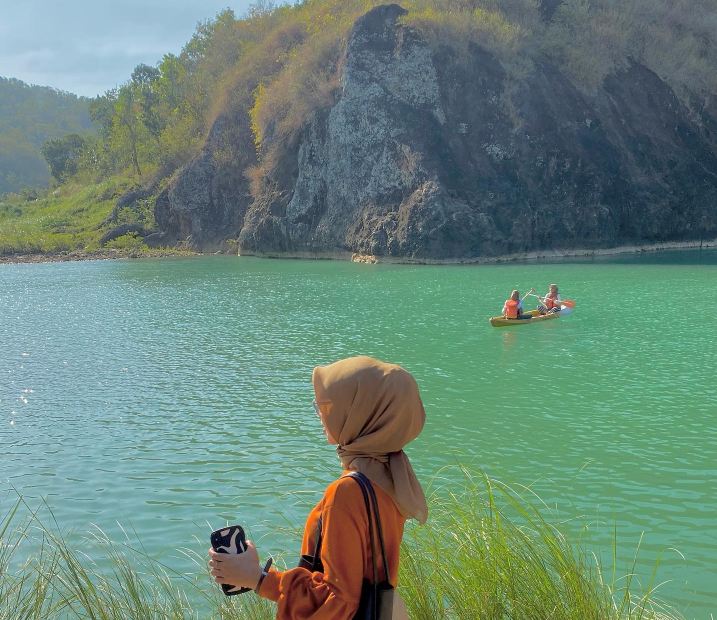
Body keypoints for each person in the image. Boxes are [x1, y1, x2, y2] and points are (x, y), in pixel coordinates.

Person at [208, 355, 425, 619]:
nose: (320, 412)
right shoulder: (392, 479)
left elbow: (341, 600)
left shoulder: (348, 491)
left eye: (328, 405)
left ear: (360, 412)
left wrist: (258, 578)